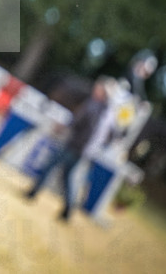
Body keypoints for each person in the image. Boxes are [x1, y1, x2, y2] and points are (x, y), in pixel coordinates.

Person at [25, 78, 110, 221]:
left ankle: (33, 192)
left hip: (74, 146)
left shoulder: (93, 105)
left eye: (98, 88)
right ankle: (68, 208)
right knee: (67, 176)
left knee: (49, 166)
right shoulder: (104, 113)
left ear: (101, 92)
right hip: (82, 150)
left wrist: (65, 127)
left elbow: (78, 121)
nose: (94, 90)